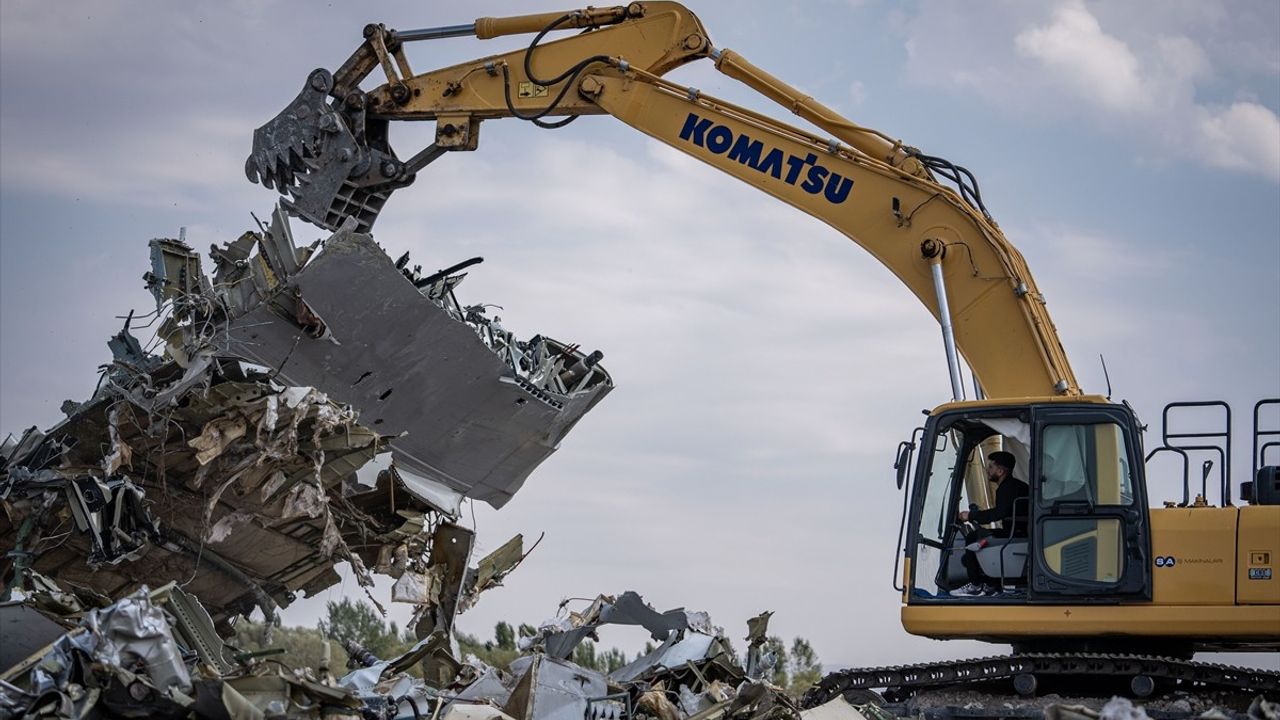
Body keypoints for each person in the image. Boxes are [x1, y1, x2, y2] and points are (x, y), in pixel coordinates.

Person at [951, 450, 1029, 597]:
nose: (987, 470)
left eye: (991, 467)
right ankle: (991, 584)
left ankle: (976, 585)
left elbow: (998, 513)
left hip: (1015, 533)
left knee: (973, 538)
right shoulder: (1015, 486)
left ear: (1000, 471)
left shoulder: (1007, 488)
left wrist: (971, 515)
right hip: (1019, 531)